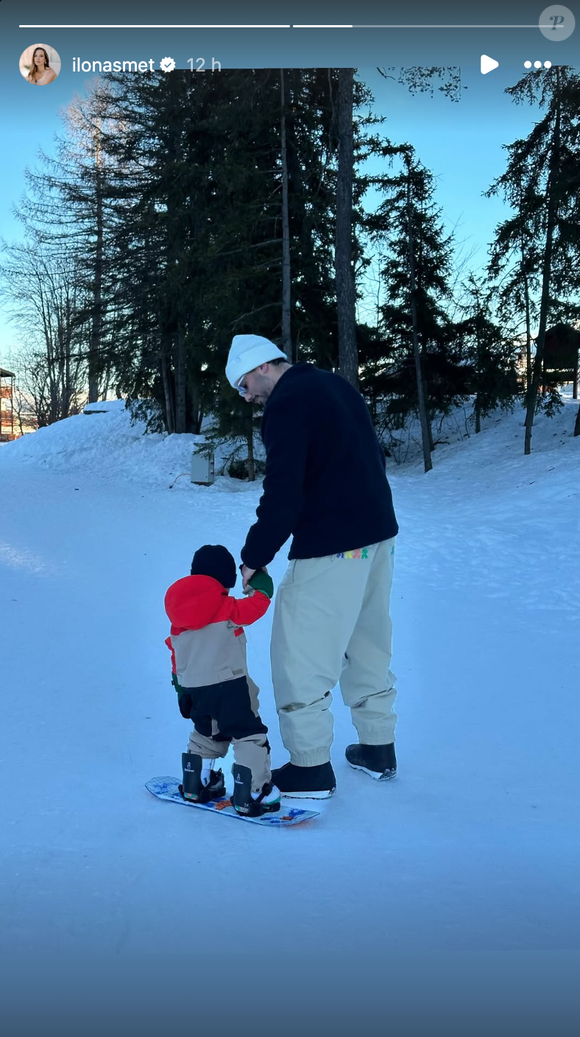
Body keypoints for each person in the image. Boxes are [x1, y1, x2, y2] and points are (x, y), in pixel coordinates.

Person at [225, 334, 399, 798]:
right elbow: (370, 457)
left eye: (244, 385)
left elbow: (283, 492)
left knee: (299, 653)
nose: (247, 397)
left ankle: (310, 768)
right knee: (367, 642)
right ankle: (378, 746)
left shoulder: (286, 403)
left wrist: (254, 556)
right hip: (377, 537)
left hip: (332, 545)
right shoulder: (335, 385)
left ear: (261, 366)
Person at [164, 544, 281, 817]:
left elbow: (175, 655)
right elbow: (259, 603)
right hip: (230, 685)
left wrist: (181, 689)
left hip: (194, 688)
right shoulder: (226, 606)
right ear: (226, 581)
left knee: (206, 733)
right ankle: (254, 792)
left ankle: (197, 781)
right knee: (248, 734)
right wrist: (259, 579)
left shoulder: (178, 618)